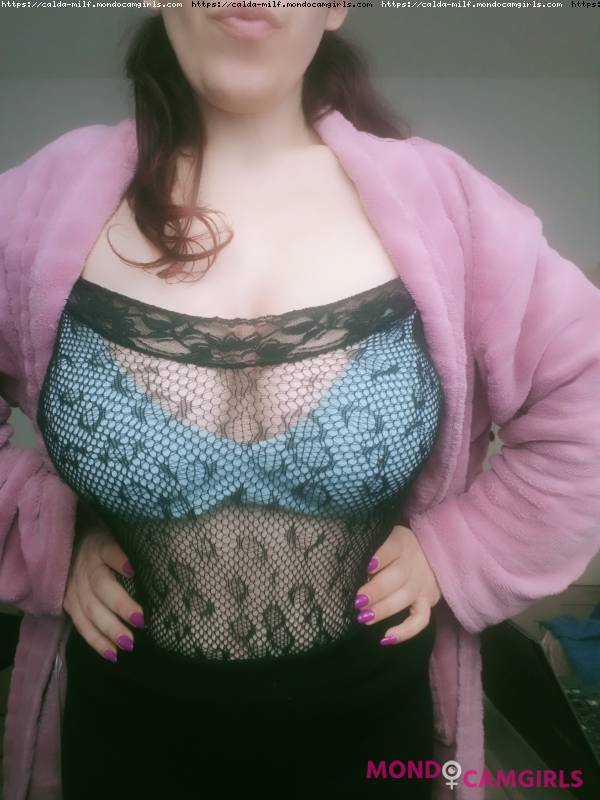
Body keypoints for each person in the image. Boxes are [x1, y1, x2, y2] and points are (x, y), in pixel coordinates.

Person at [1, 8, 600, 800]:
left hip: (377, 745)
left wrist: (463, 551)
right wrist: (40, 536)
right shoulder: (34, 209)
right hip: (119, 741)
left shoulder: (449, 208)